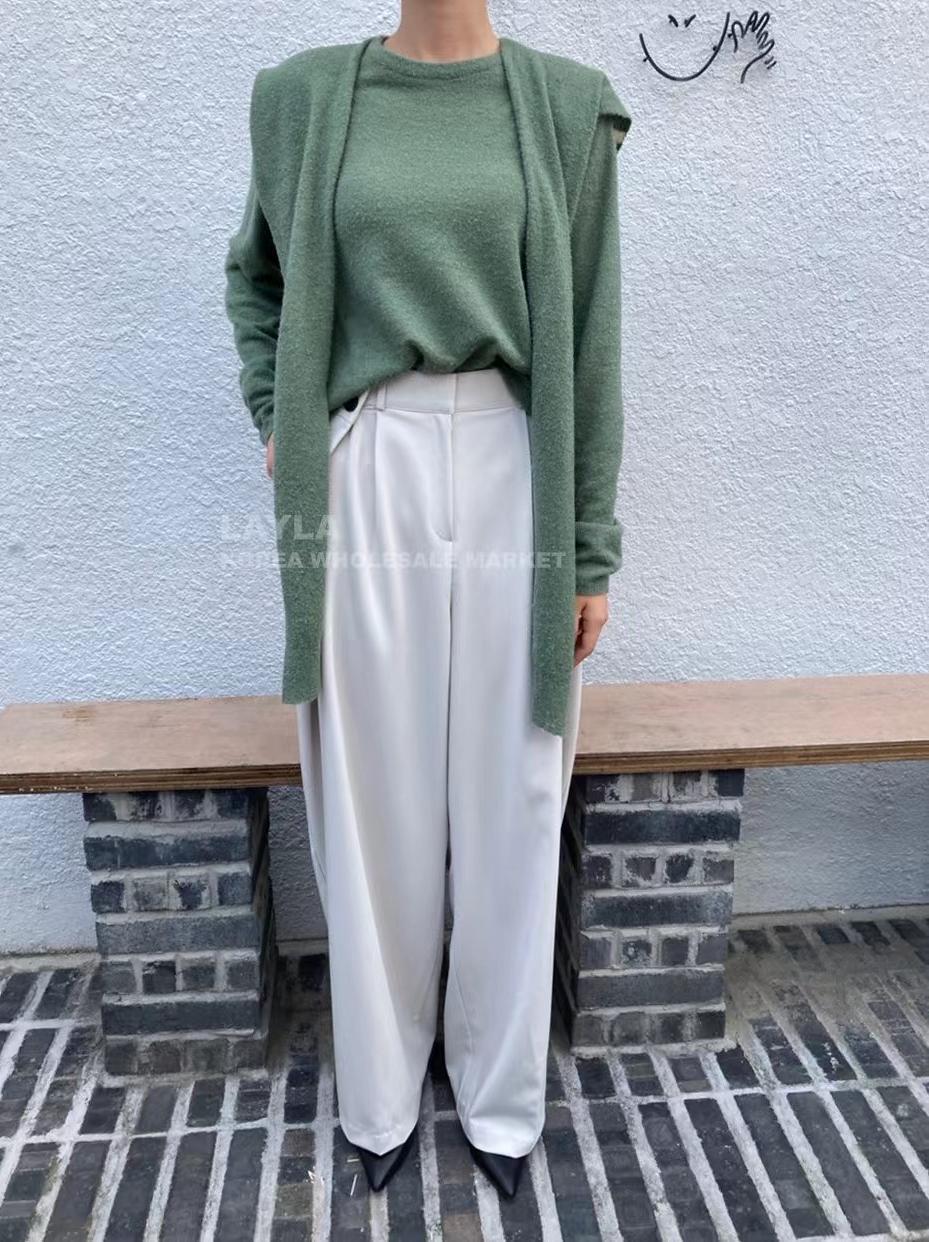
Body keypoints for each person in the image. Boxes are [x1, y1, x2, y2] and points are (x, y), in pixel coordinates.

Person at [224, 4, 632, 1201]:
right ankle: (380, 1094)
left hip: (515, 454)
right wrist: (278, 415)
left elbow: (590, 332)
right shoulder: (303, 98)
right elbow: (255, 278)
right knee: (372, 789)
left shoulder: (564, 107)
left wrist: (589, 549)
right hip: (369, 458)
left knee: (515, 780)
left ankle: (499, 1099)